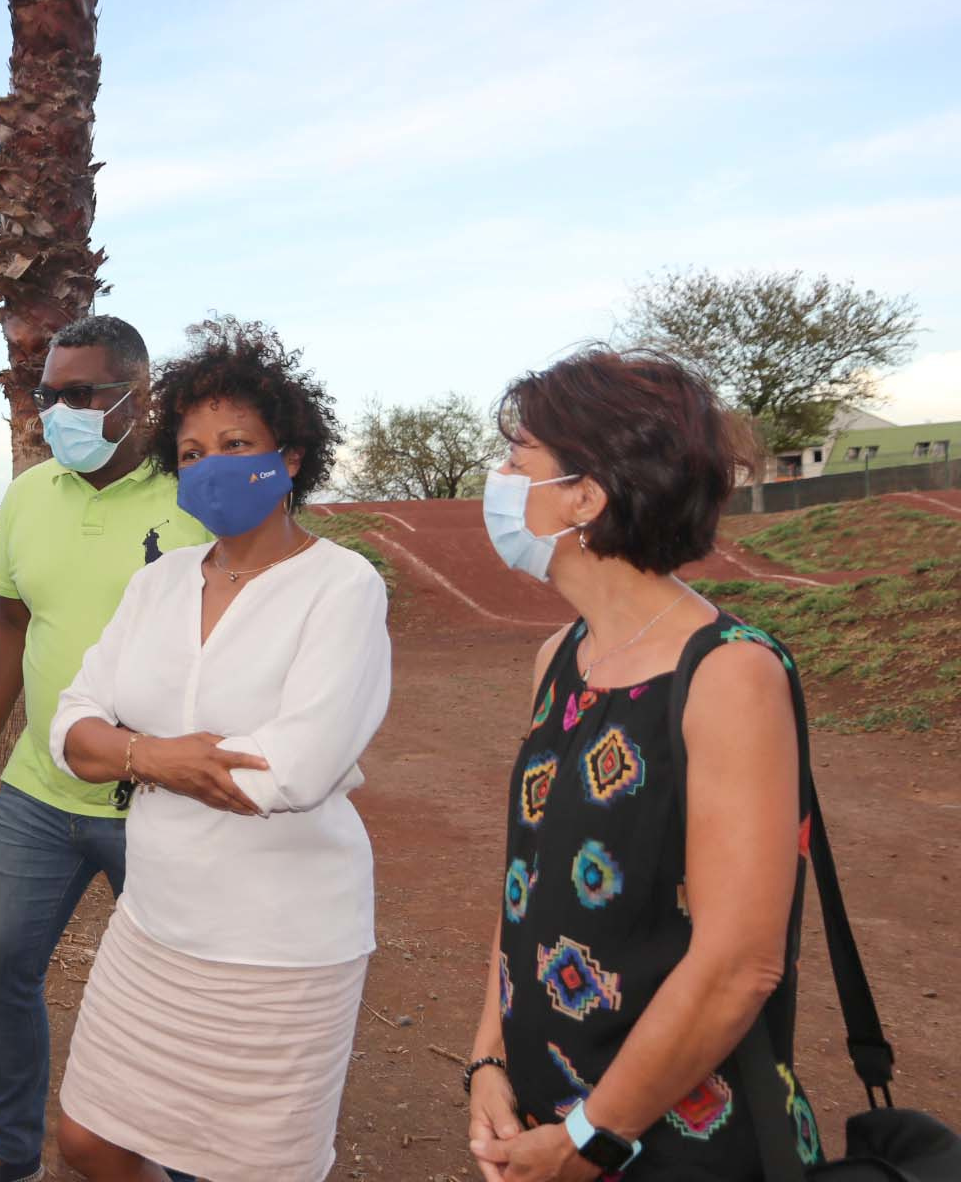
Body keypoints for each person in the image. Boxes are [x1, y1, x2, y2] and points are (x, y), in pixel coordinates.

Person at [464, 349, 818, 1182]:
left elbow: (740, 964)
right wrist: (487, 1063)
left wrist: (595, 1138)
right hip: (545, 1122)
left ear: (583, 496)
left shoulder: (729, 673)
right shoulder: (559, 656)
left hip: (672, 1144)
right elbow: (528, 885)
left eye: (519, 462)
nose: (500, 480)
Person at [50, 321, 391, 1182]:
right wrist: (157, 758)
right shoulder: (158, 581)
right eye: (193, 450)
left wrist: (125, 750)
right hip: (155, 923)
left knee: (255, 1170)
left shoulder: (341, 585)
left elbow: (296, 767)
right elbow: (68, 727)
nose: (211, 465)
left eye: (236, 444)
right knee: (91, 1139)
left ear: (293, 456)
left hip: (281, 943)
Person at [0, 315, 210, 1182]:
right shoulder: (27, 494)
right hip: (39, 794)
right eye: (46, 394)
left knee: (182, 993)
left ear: (142, 397)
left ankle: (183, 1157)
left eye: (81, 394)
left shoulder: (199, 495)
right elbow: (10, 625)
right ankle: (9, 1147)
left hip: (167, 803)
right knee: (0, 970)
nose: (57, 410)